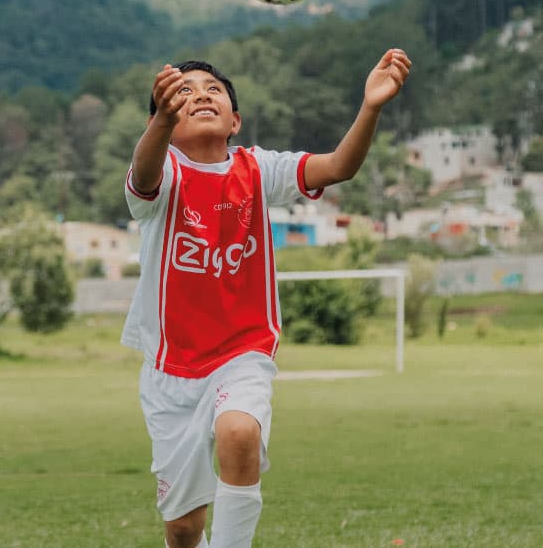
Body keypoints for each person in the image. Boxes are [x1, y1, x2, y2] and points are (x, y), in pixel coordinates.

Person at [123, 49, 412, 548]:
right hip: (171, 371)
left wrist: (371, 107)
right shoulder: (164, 173)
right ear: (164, 118)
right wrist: (161, 124)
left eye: (213, 90)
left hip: (243, 354)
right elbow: (143, 173)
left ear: (235, 120)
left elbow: (339, 167)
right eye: (184, 92)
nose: (201, 95)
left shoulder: (257, 170)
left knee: (240, 432)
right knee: (183, 528)